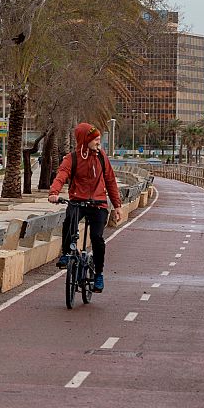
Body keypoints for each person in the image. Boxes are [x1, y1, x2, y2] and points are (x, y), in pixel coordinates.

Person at [48, 123, 123, 292]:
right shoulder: (72, 158)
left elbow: (110, 181)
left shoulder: (102, 157)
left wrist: (117, 205)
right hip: (77, 201)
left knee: (97, 237)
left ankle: (98, 274)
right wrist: (54, 192)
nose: (98, 142)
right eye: (95, 139)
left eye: (99, 139)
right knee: (69, 222)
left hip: (99, 204)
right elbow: (61, 175)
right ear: (85, 140)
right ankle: (67, 253)